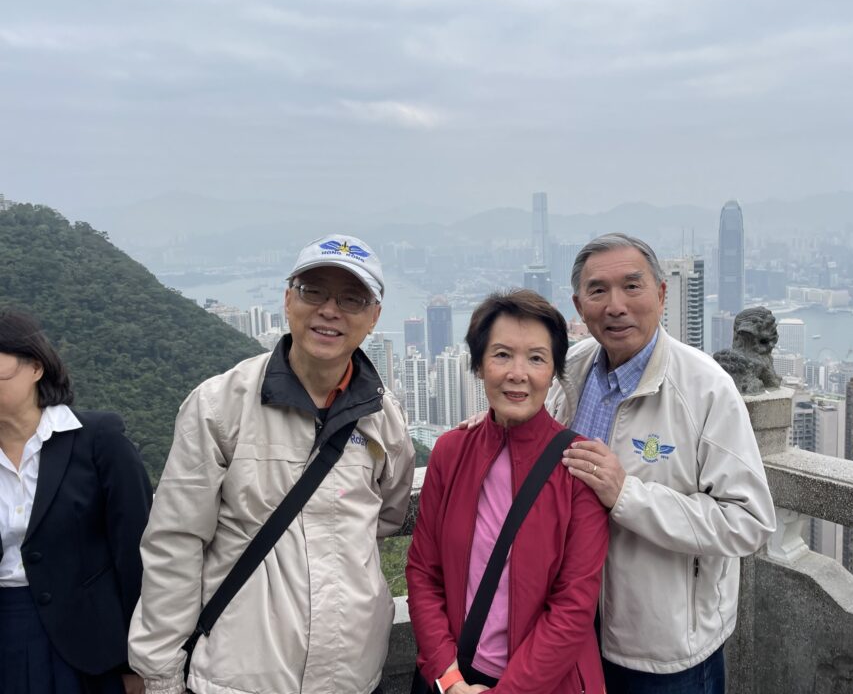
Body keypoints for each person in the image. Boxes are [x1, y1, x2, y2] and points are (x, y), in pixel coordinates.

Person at [129, 234, 414, 694]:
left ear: (374, 317)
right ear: (288, 299)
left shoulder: (385, 418)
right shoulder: (219, 406)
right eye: (313, 291)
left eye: (351, 298)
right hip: (239, 677)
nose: (329, 310)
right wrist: (160, 673)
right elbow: (175, 543)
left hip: (354, 675)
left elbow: (388, 513)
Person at [554, 233, 776, 694]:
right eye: (598, 291)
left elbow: (749, 521)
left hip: (665, 650)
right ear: (579, 305)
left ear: (660, 294)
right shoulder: (570, 370)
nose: (615, 305)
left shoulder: (705, 388)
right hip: (569, 625)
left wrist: (626, 495)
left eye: (632, 286)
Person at [407, 289, 609, 694]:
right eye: (501, 355)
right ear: (479, 366)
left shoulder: (578, 466)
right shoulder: (451, 452)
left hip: (549, 684)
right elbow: (423, 573)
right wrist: (448, 679)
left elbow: (573, 606)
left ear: (552, 373)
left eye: (536, 358)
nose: (518, 373)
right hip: (458, 677)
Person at [0, 309, 152, 694]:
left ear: (35, 367)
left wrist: (139, 660)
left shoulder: (98, 440)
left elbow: (136, 553)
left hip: (91, 646)